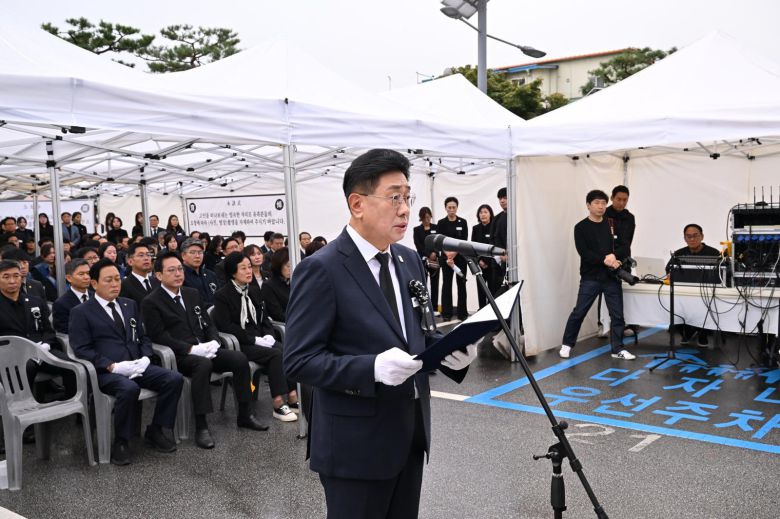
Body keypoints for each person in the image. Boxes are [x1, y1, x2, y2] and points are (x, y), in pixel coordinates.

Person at [283, 149, 477, 518]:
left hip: (410, 435)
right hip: (355, 446)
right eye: (394, 198)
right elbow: (299, 360)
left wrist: (452, 351)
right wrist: (371, 368)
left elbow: (415, 336)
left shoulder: (408, 260)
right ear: (357, 204)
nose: (405, 209)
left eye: (408, 197)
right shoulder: (322, 269)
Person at [142, 251, 268, 449]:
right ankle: (201, 425)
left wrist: (214, 341)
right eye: (171, 270)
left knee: (239, 358)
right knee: (202, 365)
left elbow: (208, 324)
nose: (178, 274)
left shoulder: (191, 293)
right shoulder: (151, 302)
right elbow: (160, 337)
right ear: (158, 275)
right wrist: (190, 348)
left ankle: (245, 413)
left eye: (179, 269)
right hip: (179, 355)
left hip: (204, 348)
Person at [69, 258, 184, 466]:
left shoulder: (129, 304)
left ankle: (156, 429)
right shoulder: (81, 312)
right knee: (128, 388)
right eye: (108, 280)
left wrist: (146, 357)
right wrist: (111, 365)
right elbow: (82, 349)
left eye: (117, 279)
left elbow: (143, 336)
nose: (115, 284)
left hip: (136, 364)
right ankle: (121, 441)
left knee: (173, 379)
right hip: (106, 371)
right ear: (94, 284)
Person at [213, 252, 299, 422]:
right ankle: (278, 403)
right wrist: (253, 339)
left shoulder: (253, 290)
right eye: (243, 268)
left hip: (259, 339)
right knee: (276, 354)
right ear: (232, 272)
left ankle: (292, 396)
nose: (248, 271)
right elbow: (226, 326)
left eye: (249, 267)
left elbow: (264, 318)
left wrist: (268, 335)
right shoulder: (223, 295)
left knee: (286, 350)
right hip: (241, 343)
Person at [559, 190, 635, 361]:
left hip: (612, 277)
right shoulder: (581, 227)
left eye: (603, 203)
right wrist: (604, 259)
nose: (601, 206)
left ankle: (618, 349)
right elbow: (584, 253)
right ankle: (567, 344)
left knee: (617, 315)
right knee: (580, 311)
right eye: (597, 203)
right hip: (591, 277)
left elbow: (625, 246)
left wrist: (615, 256)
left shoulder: (611, 224)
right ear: (588, 205)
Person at [0, 259, 77, 400]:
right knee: (26, 368)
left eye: (16, 276)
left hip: (41, 351)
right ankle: (20, 408)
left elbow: (48, 330)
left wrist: (46, 344)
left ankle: (73, 404)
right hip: (11, 355)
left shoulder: (35, 301)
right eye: (6, 277)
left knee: (71, 365)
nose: (12, 281)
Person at [668, 223, 722, 346]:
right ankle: (687, 332)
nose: (692, 239)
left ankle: (702, 333)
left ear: (702, 236)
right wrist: (670, 274)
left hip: (706, 294)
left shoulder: (714, 253)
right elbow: (669, 269)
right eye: (688, 236)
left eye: (695, 236)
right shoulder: (679, 253)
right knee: (671, 307)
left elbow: (722, 272)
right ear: (684, 238)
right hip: (684, 293)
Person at [436, 196, 469, 321]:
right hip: (446, 258)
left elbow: (464, 240)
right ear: (445, 208)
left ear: (457, 208)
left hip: (460, 257)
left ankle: (462, 313)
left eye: (453, 207)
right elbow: (439, 241)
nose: (451, 210)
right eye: (449, 207)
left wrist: (454, 253)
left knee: (461, 284)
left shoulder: (463, 222)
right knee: (447, 284)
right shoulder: (441, 223)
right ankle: (446, 313)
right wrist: (448, 254)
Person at [412, 206, 440, 316]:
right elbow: (418, 245)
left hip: (435, 260)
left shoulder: (436, 228)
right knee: (423, 284)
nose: (427, 219)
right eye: (425, 217)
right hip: (422, 260)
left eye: (429, 217)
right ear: (421, 218)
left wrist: (435, 253)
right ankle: (424, 307)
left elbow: (438, 243)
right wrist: (428, 255)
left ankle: (434, 308)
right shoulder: (417, 230)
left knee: (435, 284)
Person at [53, 259, 92, 333]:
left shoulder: (96, 296)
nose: (86, 277)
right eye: (81, 274)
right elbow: (64, 330)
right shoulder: (61, 303)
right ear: (69, 278)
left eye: (88, 273)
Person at [471, 203, 499, 307]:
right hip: (480, 264)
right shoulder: (475, 228)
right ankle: (481, 309)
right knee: (481, 290)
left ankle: (492, 310)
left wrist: (487, 261)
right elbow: (473, 247)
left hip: (492, 264)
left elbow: (495, 245)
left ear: (490, 214)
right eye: (481, 212)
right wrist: (479, 261)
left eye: (485, 212)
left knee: (493, 289)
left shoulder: (494, 227)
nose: (483, 214)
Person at [180, 237, 219, 309]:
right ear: (183, 255)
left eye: (200, 252)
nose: (197, 256)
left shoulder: (211, 275)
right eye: (192, 252)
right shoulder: (179, 276)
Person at [120, 243, 159, 309]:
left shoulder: (156, 281)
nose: (146, 258)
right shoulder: (124, 285)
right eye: (141, 255)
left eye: (148, 255)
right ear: (130, 261)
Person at [261, 247, 291, 322]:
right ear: (279, 265)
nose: (291, 268)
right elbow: (277, 314)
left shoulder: (294, 281)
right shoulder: (268, 286)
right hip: (286, 323)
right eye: (288, 266)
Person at [491, 187, 508, 283]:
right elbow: (492, 239)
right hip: (499, 262)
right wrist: (499, 256)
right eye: (500, 198)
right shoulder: (496, 218)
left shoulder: (518, 215)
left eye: (505, 198)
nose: (502, 201)